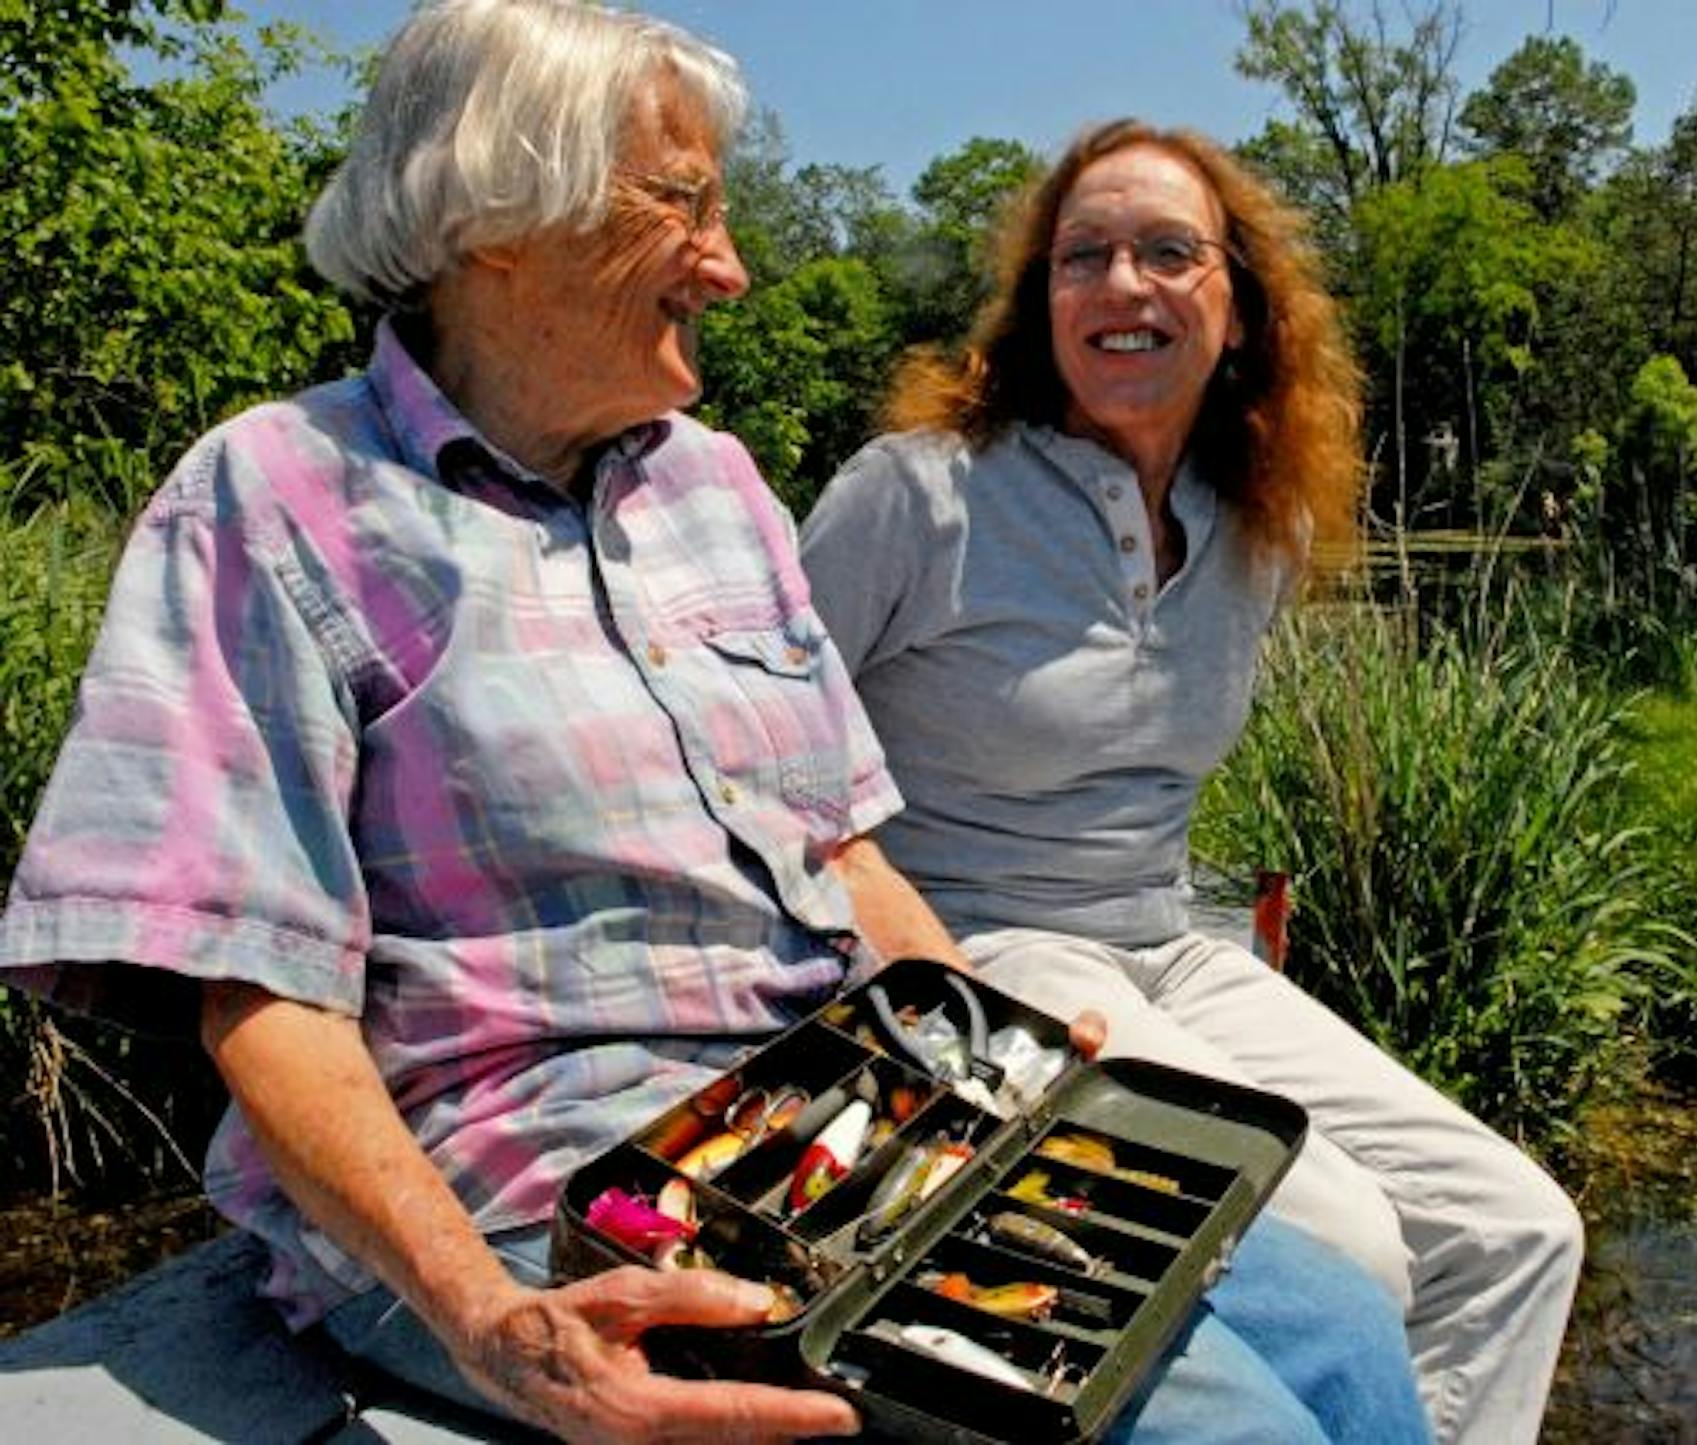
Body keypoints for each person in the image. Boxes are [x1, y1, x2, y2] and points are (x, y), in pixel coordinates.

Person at [0, 7, 1426, 1442]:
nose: (731, 268)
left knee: (1352, 1330)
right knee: (1237, 1428)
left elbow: (849, 861)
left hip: (847, 1126)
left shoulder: (715, 486)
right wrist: (497, 1330)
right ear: (499, 216)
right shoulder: (273, 498)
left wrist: (1010, 1079)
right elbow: (259, 994)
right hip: (545, 1202)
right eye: (680, 206)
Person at [799, 118, 1587, 1442]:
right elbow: (759, 755)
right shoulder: (920, 495)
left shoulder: (1249, 526)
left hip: (1169, 945)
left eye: (1169, 252)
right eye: (1083, 256)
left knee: (1519, 1229)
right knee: (1354, 1242)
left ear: (1241, 312)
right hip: (983, 948)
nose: (1122, 285)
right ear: (1039, 304)